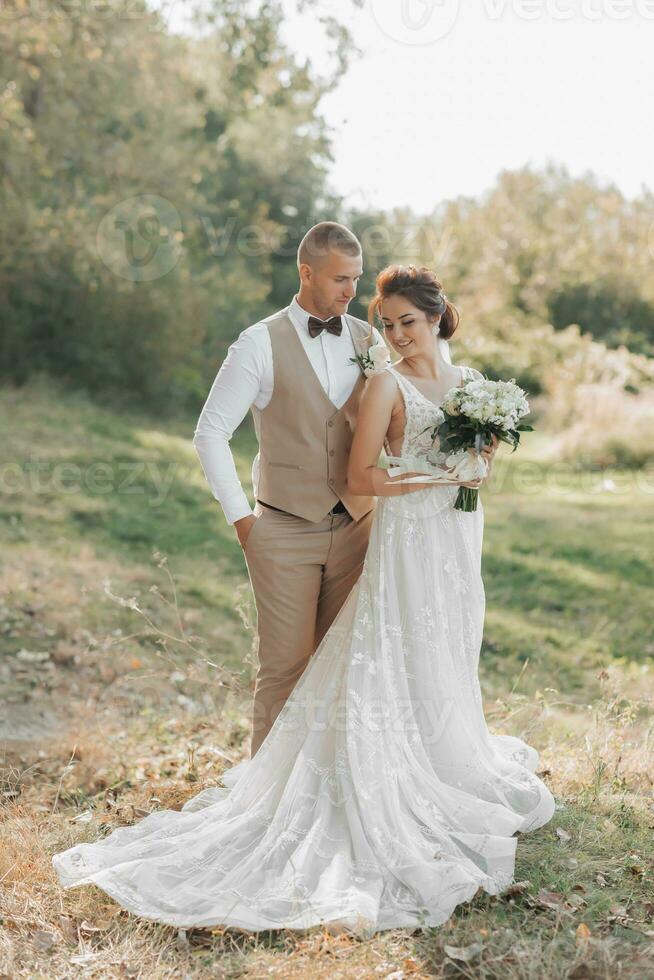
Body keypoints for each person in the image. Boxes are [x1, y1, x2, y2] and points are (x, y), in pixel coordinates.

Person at [51, 260, 553, 934]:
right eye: (386, 324)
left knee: (448, 638)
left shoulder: (471, 384)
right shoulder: (386, 383)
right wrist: (428, 479)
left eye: (407, 321)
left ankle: (446, 754)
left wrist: (476, 466)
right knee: (392, 639)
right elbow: (363, 473)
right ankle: (369, 773)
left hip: (457, 536)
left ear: (436, 316)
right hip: (407, 531)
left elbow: (481, 460)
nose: (397, 333)